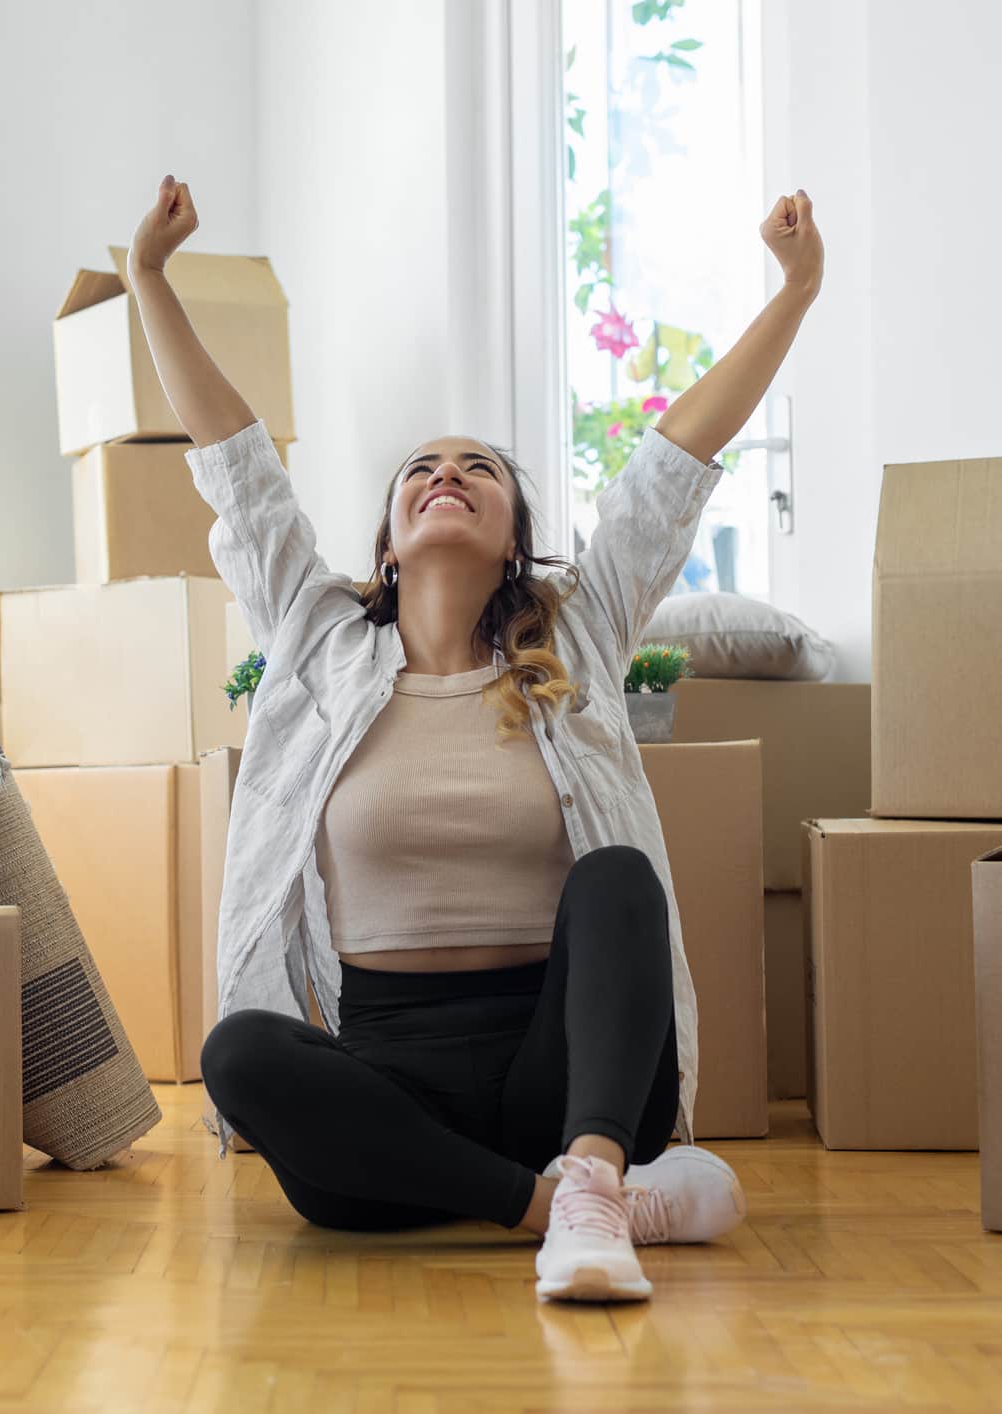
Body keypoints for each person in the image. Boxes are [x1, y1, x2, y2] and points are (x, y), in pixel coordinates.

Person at [130, 173, 824, 1302]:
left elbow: (673, 469)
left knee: (617, 881)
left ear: (514, 542)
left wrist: (796, 292)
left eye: (479, 468)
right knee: (239, 1053)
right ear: (390, 542)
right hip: (388, 1092)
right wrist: (150, 278)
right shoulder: (319, 645)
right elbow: (239, 474)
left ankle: (589, 1170)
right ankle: (575, 1209)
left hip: (572, 1072)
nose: (446, 472)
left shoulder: (578, 637)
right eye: (421, 468)